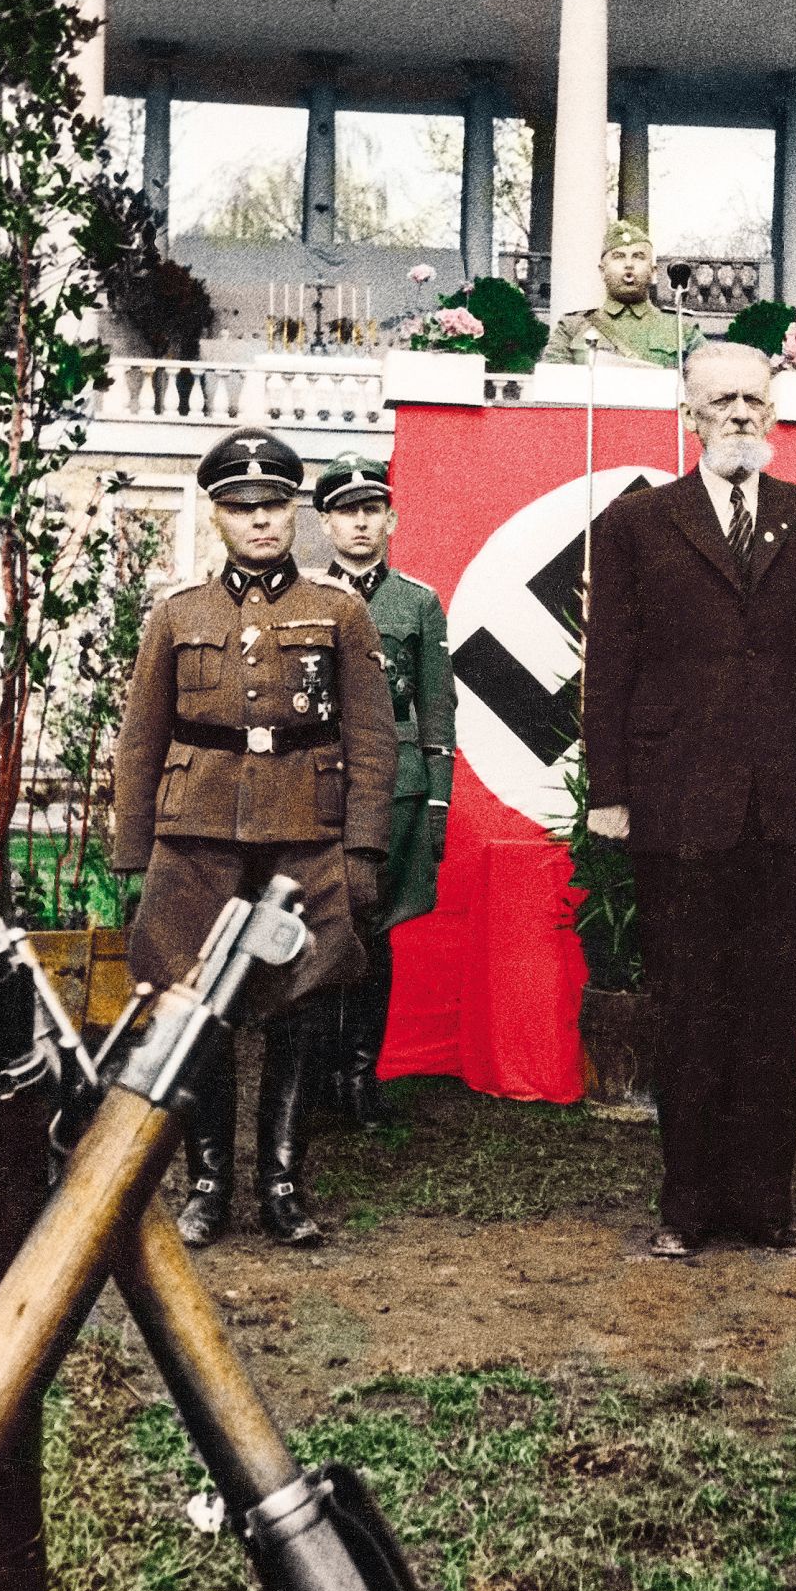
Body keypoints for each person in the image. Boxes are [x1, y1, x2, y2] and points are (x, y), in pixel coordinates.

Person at [582, 339, 796, 1256]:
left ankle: (766, 1203)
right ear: (689, 414)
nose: (741, 414)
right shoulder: (636, 524)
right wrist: (612, 792)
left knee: (775, 1013)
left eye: (754, 400)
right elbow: (611, 666)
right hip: (678, 808)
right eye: (722, 402)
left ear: (773, 413)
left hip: (784, 809)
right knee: (690, 1006)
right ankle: (687, 1206)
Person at [113, 429, 398, 1246]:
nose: (262, 522)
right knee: (196, 1000)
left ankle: (281, 1182)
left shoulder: (339, 611)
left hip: (305, 831)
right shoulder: (178, 615)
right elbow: (142, 737)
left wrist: (364, 851)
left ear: (294, 514)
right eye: (243, 509)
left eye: (274, 505)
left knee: (301, 1003)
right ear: (218, 518)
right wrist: (135, 855)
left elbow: (374, 739)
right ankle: (207, 1183)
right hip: (198, 832)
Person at [314, 452, 456, 1125]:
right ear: (325, 524)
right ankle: (318, 1073)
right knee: (319, 930)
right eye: (347, 511)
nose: (361, 523)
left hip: (397, 788)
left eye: (372, 510)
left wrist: (437, 802)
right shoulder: (307, 596)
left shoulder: (417, 602)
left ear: (392, 518)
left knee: (377, 931)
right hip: (317, 787)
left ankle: (363, 1074)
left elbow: (437, 709)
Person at [542, 217, 705, 365]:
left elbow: (707, 384)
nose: (629, 264)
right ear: (602, 271)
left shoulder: (681, 328)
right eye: (618, 256)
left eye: (638, 257)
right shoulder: (572, 327)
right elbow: (552, 383)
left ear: (653, 272)